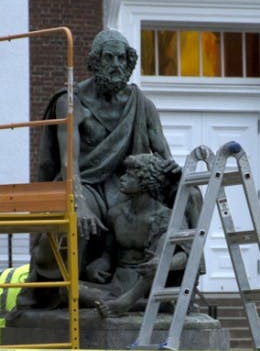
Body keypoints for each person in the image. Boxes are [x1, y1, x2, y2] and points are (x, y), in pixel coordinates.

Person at [25, 28, 185, 309]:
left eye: (122, 58)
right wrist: (79, 202)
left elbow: (163, 155)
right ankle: (66, 291)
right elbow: (68, 161)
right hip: (83, 182)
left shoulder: (142, 104)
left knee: (186, 196)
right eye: (109, 58)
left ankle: (173, 286)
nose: (116, 65)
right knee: (81, 217)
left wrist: (174, 170)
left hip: (127, 181)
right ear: (95, 62)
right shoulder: (71, 102)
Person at [78, 153, 187, 317]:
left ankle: (127, 303)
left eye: (129, 175)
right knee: (69, 290)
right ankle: (144, 305)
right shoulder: (115, 214)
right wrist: (99, 265)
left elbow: (185, 255)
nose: (122, 179)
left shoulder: (165, 217)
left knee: (158, 255)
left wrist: (164, 263)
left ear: (146, 180)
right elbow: (109, 254)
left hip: (147, 285)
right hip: (117, 284)